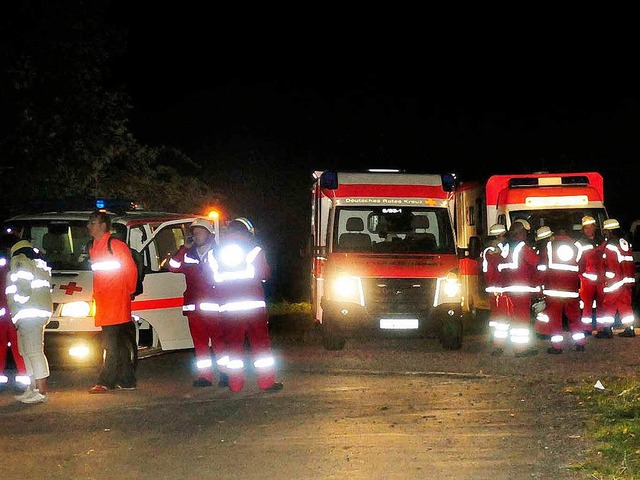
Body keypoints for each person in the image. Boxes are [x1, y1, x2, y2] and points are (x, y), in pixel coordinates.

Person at [206, 217, 283, 392]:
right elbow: (264, 274)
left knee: (233, 348)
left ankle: (235, 385)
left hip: (229, 308)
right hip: (253, 307)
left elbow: (211, 279)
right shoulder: (255, 250)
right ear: (248, 232)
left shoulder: (214, 253)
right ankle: (266, 383)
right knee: (261, 346)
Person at [167, 218, 228, 387]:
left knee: (220, 343)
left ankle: (225, 374)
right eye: (194, 233)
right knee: (200, 345)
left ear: (209, 234)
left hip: (216, 307)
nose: (196, 236)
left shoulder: (220, 253)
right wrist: (183, 248)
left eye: (200, 232)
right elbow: (172, 267)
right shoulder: (188, 254)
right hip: (194, 308)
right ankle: (205, 377)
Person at [87, 210, 138, 393]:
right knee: (118, 343)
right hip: (106, 301)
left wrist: (128, 292)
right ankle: (126, 380)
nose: (89, 226)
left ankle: (106, 381)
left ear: (103, 225)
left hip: (115, 301)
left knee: (110, 343)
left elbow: (130, 270)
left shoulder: (114, 244)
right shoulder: (95, 246)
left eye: (92, 223)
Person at [5, 239, 53, 404]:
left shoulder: (20, 261)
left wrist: (18, 303)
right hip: (35, 314)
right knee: (27, 352)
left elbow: (23, 288)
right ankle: (33, 388)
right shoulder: (40, 264)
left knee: (32, 352)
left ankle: (40, 390)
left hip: (28, 314)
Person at [533, 226, 586, 354]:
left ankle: (557, 347)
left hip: (553, 290)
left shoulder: (549, 247)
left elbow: (542, 268)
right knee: (574, 317)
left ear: (554, 235)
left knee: (555, 319)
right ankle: (580, 343)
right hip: (571, 289)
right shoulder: (577, 247)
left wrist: (539, 285)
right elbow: (582, 268)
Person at [497, 219, 541, 356]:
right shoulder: (522, 247)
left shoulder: (505, 248)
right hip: (521, 289)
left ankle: (509, 347)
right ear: (521, 233)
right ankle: (520, 349)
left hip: (508, 288)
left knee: (511, 318)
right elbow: (536, 262)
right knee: (522, 320)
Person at [0, 233, 30, 391]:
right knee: (20, 348)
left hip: (5, 313)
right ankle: (23, 380)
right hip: (13, 312)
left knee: (3, 347)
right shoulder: (17, 262)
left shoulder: (10, 262)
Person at [600, 219, 636, 337]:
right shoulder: (624, 242)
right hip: (626, 280)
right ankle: (629, 328)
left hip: (615, 281)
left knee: (608, 304)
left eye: (605, 231)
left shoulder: (611, 245)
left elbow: (611, 265)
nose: (604, 233)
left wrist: (607, 280)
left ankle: (606, 330)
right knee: (625, 305)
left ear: (609, 231)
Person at [576, 215, 607, 337]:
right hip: (586, 279)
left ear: (595, 227)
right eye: (585, 228)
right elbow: (577, 261)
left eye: (590, 227)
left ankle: (601, 328)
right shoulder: (579, 244)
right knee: (586, 305)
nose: (588, 230)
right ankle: (586, 328)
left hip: (601, 278)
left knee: (602, 304)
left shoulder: (602, 241)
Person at [481, 223, 510, 355]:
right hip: (497, 287)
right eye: (504, 236)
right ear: (500, 235)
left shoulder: (488, 249)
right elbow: (502, 265)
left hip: (492, 286)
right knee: (501, 318)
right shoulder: (494, 250)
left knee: (495, 317)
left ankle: (494, 339)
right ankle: (498, 344)